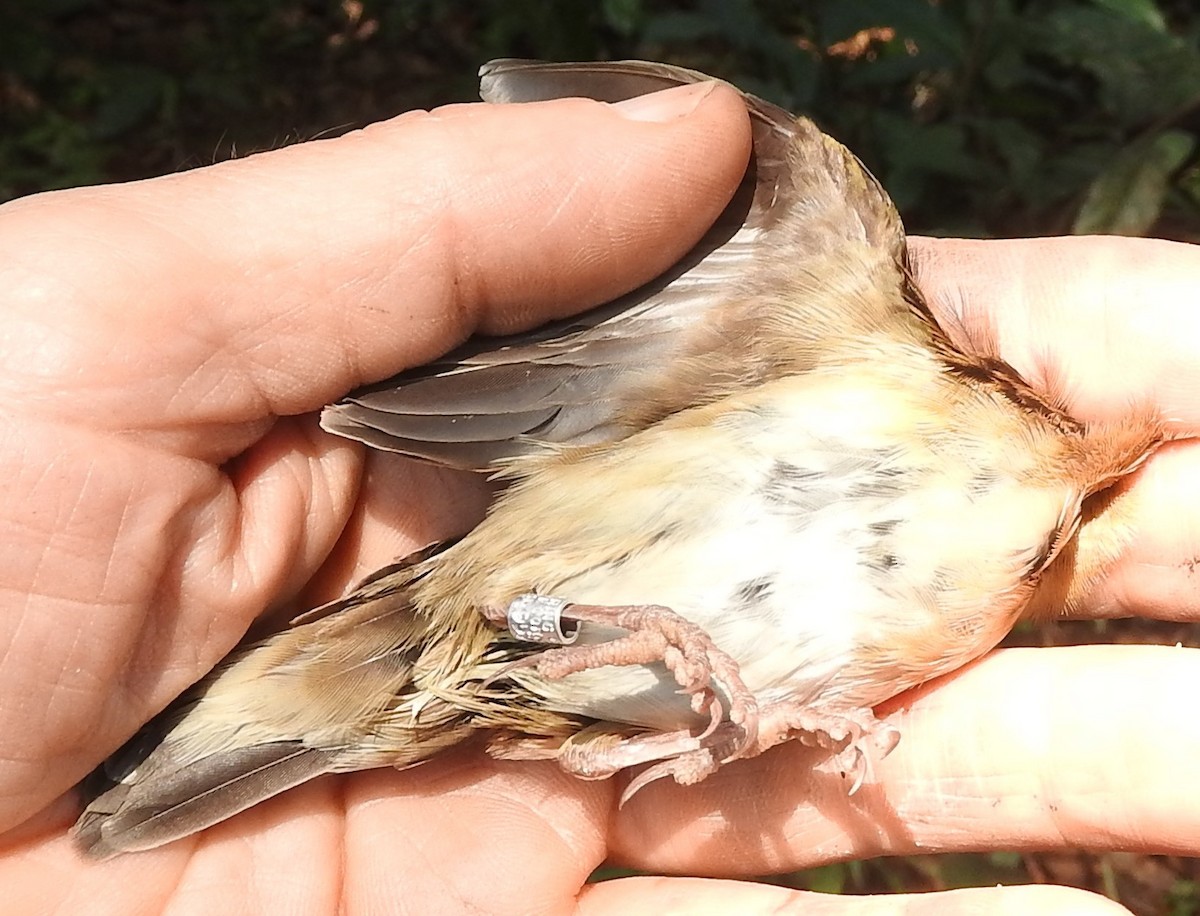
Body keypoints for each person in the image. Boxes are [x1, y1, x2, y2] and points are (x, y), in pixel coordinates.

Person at [0, 80, 1193, 914]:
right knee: (510, 623)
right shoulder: (850, 322)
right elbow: (772, 180)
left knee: (520, 672)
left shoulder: (986, 588)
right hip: (495, 610)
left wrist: (781, 718)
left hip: (520, 693)